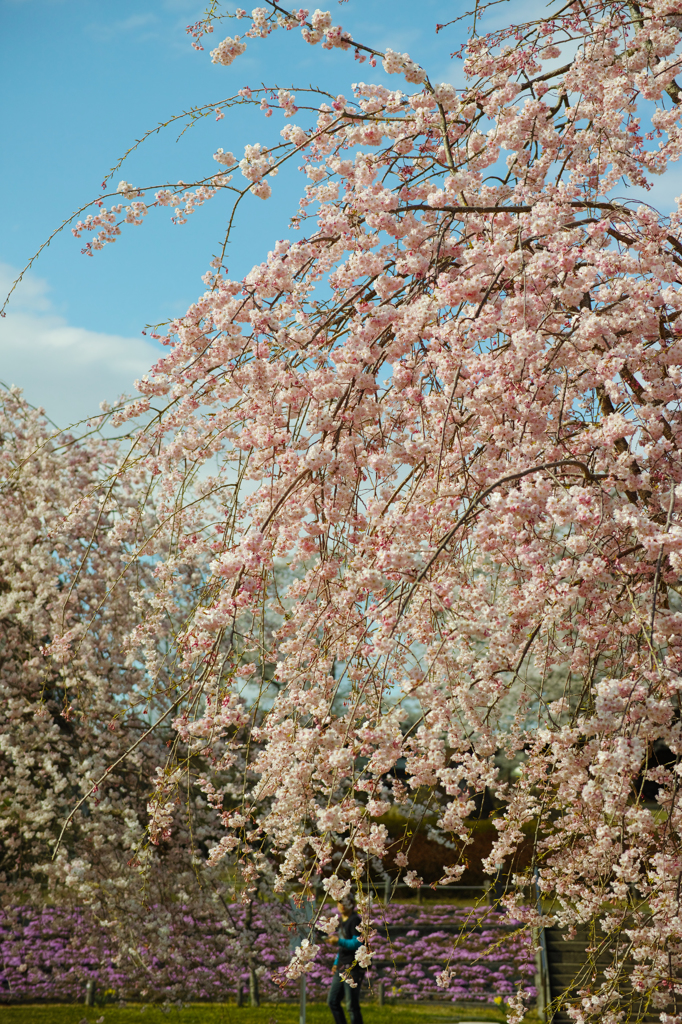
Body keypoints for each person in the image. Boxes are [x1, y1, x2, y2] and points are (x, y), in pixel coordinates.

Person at [326, 895, 364, 1024]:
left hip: (353, 967)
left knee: (351, 1006)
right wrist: (336, 962)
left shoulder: (355, 920)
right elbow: (341, 947)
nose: (342, 905)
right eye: (339, 902)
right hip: (341, 967)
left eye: (345, 902)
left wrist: (339, 941)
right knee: (333, 1001)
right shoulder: (341, 921)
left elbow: (357, 943)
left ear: (351, 904)